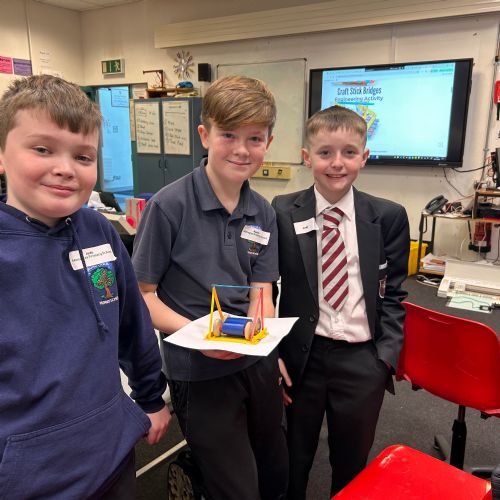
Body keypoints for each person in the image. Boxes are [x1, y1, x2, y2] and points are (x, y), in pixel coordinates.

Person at [0, 74, 170, 499]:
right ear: (2, 155)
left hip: (110, 454)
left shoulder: (97, 229)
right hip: (31, 477)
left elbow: (131, 323)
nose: (65, 168)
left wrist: (151, 396)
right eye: (42, 149)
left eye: (83, 156)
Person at [132, 75, 288, 500]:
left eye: (254, 138)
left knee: (275, 475)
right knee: (235, 487)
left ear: (268, 142)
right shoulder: (169, 206)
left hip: (253, 364)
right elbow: (143, 297)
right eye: (228, 135)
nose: (241, 149)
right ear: (205, 135)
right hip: (198, 370)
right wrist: (199, 336)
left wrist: (261, 337)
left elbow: (261, 289)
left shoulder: (263, 212)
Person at [272, 105, 410, 498]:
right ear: (306, 157)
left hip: (362, 360)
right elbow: (267, 287)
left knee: (351, 463)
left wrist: (384, 358)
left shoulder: (388, 217)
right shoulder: (282, 211)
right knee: (292, 458)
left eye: (349, 152)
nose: (337, 163)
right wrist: (272, 355)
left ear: (364, 157)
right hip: (302, 359)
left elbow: (395, 292)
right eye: (325, 152)